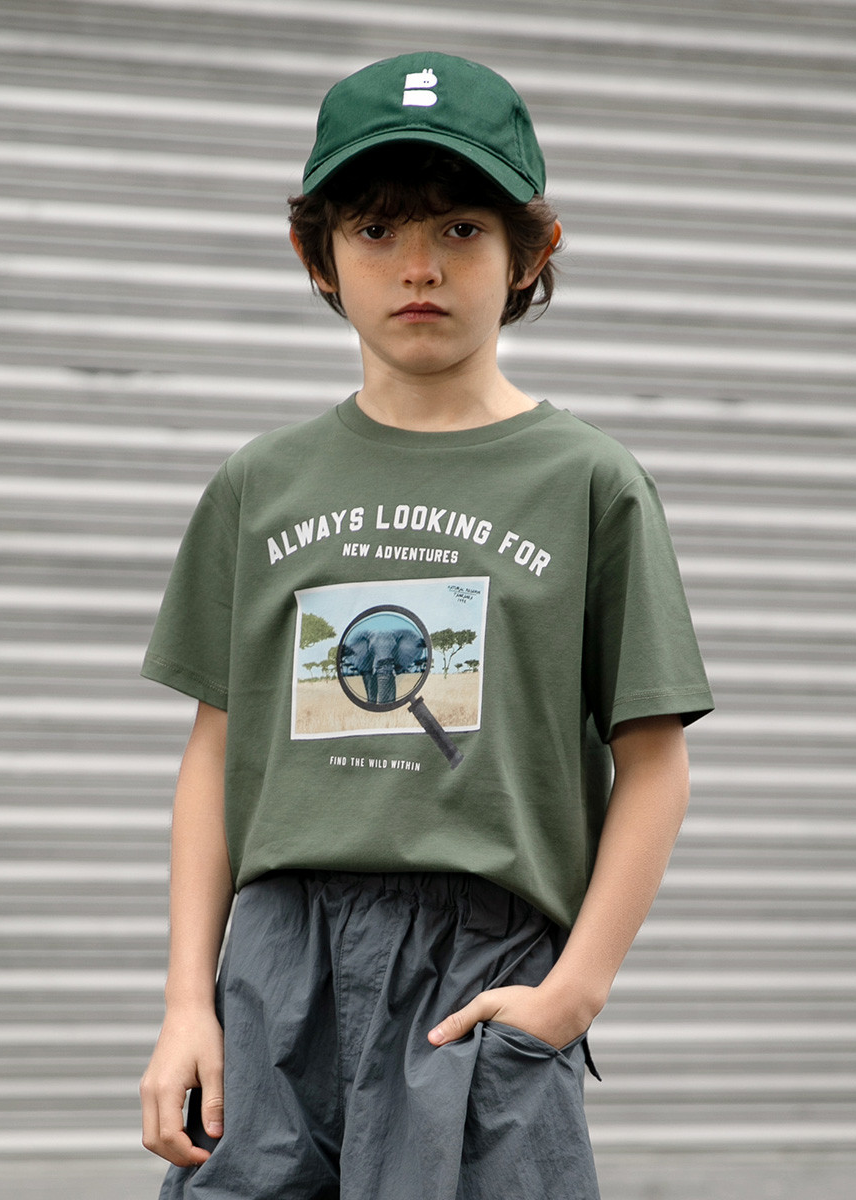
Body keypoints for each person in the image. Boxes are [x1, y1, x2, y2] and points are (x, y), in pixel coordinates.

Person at [138, 51, 713, 1200]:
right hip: (278, 963)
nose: (418, 267)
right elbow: (215, 753)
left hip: (479, 965)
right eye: (374, 230)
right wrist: (187, 1004)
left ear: (529, 253)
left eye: (459, 228)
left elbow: (654, 763)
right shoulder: (261, 485)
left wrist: (574, 992)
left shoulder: (588, 483)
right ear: (316, 255)